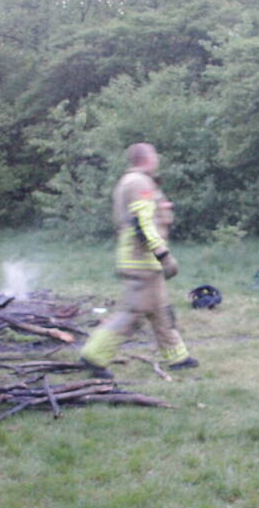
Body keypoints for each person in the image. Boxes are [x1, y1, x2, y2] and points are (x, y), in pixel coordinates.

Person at [78, 143, 198, 376]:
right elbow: (142, 224)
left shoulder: (137, 181)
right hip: (140, 259)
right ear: (147, 158)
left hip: (144, 260)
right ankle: (94, 356)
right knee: (133, 313)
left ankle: (177, 357)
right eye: (155, 154)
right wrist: (163, 255)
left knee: (160, 310)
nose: (157, 159)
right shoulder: (138, 183)